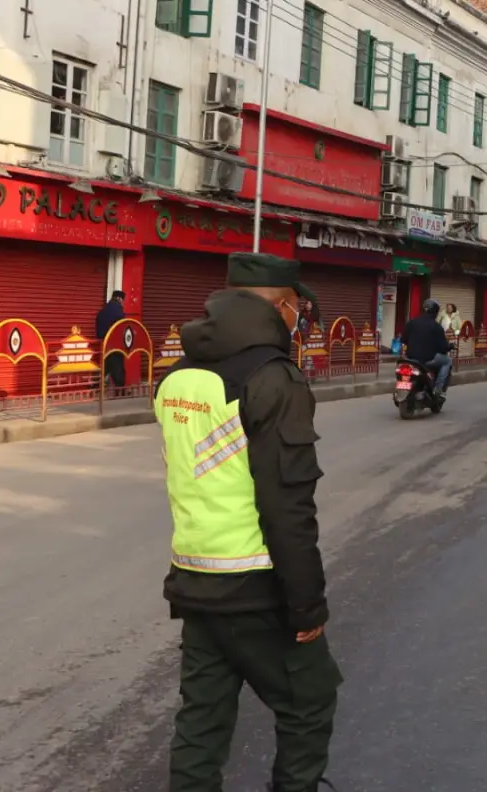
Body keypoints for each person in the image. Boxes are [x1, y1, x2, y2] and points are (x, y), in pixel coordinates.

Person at [153, 253, 340, 792]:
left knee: (201, 721)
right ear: (282, 308)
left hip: (194, 580)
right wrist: (307, 604)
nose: (300, 319)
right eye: (298, 309)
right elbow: (288, 506)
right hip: (257, 587)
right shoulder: (273, 379)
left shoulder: (177, 377)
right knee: (309, 700)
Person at [402, 298, 453, 394]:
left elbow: (403, 339)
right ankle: (438, 389)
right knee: (447, 361)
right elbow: (443, 347)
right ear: (436, 311)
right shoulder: (437, 327)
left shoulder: (411, 323)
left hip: (411, 358)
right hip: (428, 360)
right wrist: (450, 346)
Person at [95, 289, 127, 388]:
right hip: (116, 345)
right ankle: (120, 390)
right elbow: (122, 328)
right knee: (117, 368)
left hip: (104, 343)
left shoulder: (103, 310)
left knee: (105, 366)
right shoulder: (119, 312)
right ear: (119, 298)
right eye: (122, 300)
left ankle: (95, 385)